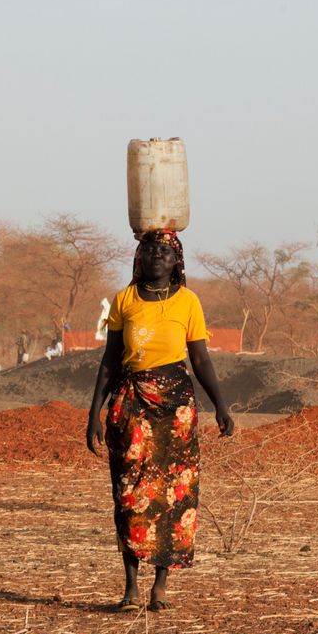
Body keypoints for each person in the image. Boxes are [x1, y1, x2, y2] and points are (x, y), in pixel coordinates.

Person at [86, 229, 234, 613]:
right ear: (139, 256)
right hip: (131, 403)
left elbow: (200, 359)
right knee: (130, 492)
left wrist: (221, 405)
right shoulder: (125, 300)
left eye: (166, 251)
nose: (157, 256)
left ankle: (161, 586)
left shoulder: (188, 302)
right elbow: (110, 360)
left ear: (177, 261)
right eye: (150, 249)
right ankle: (131, 587)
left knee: (175, 492)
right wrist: (94, 413)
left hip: (176, 408)